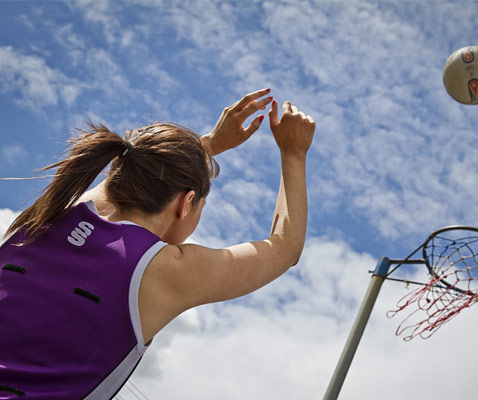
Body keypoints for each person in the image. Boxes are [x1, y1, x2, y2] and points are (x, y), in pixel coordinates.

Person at [0, 88, 315, 399]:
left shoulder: (40, 219)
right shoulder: (161, 270)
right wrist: (294, 153)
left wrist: (208, 146)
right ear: (186, 204)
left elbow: (122, 181)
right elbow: (285, 248)